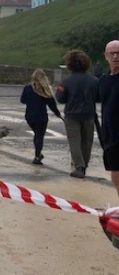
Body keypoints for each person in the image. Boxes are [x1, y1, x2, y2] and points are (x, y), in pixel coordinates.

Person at [55, 50, 98, 178]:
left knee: (74, 141)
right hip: (89, 114)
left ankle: (79, 167)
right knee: (87, 141)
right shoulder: (94, 80)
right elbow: (100, 96)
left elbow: (60, 98)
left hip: (72, 115)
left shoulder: (67, 81)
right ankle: (85, 164)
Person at [20, 69, 62, 165]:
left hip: (29, 116)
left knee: (37, 135)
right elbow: (52, 105)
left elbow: (23, 100)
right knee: (39, 136)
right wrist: (58, 114)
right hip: (41, 117)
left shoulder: (27, 88)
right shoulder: (46, 89)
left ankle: (38, 154)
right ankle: (37, 155)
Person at [98, 40, 119, 198]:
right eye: (112, 53)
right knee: (115, 175)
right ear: (106, 56)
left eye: (118, 52)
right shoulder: (104, 80)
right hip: (110, 135)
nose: (116, 56)